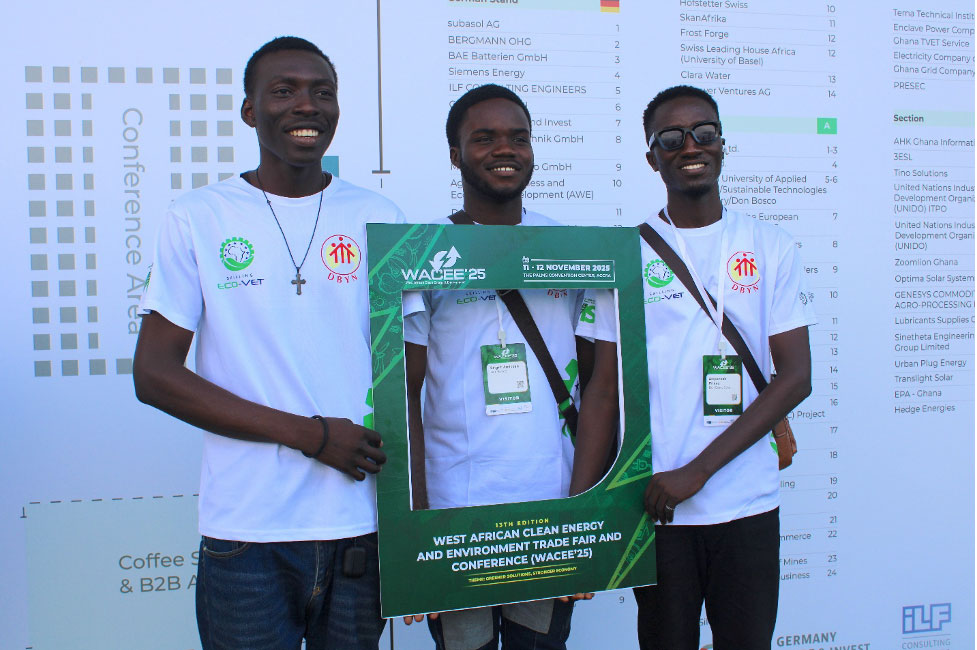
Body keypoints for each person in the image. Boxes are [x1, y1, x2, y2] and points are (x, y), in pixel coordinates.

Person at [132, 36, 405, 650]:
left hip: (360, 526)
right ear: (250, 111)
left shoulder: (381, 217)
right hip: (247, 532)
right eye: (284, 91)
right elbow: (153, 374)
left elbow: (404, 369)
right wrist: (311, 434)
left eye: (322, 92)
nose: (306, 105)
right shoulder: (199, 216)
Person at [400, 84, 618, 650]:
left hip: (549, 512)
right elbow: (406, 397)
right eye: (485, 138)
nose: (505, 150)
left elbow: (599, 386)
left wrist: (583, 514)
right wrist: (414, 530)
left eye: (519, 138)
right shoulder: (422, 254)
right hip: (455, 518)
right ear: (455, 155)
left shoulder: (573, 249)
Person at [627, 85, 816, 649]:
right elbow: (604, 384)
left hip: (747, 503)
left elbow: (795, 377)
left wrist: (700, 471)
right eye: (671, 138)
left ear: (722, 144)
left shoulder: (770, 245)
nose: (691, 146)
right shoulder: (629, 252)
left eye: (704, 132)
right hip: (660, 504)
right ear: (652, 157)